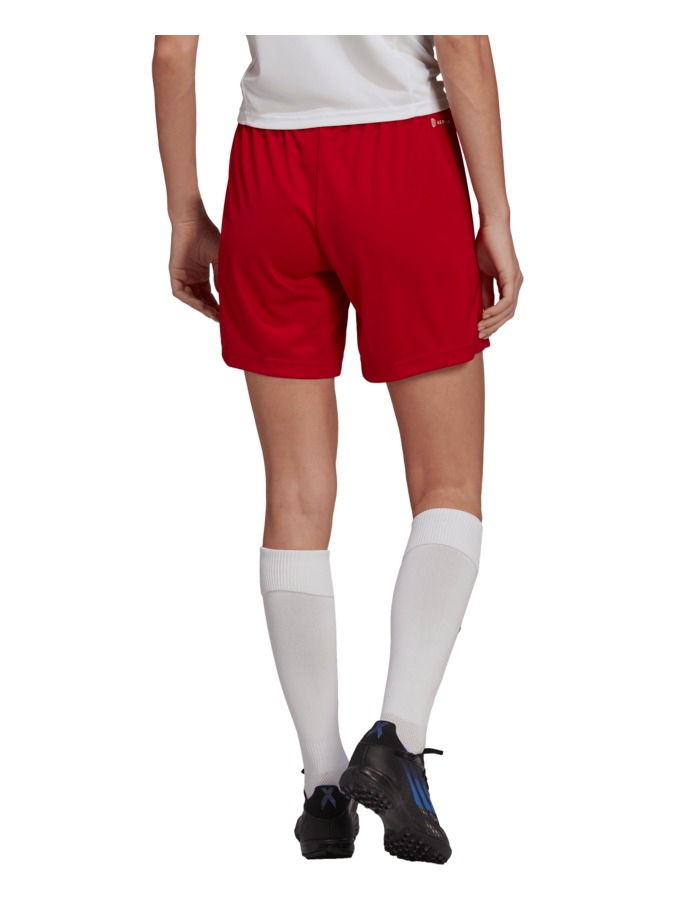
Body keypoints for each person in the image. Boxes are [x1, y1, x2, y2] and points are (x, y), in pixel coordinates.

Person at [152, 34, 523, 865]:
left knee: (293, 495)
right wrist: (495, 216)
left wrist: (183, 213)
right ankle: (398, 736)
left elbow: (172, 54)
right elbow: (461, 44)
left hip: (268, 169)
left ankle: (324, 789)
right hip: (402, 158)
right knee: (446, 483)